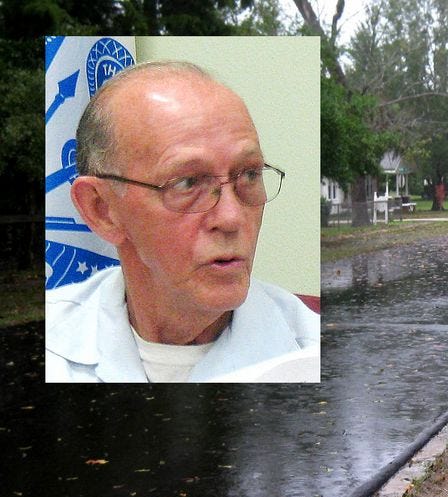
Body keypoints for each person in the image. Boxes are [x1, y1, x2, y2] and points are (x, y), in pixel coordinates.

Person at [45, 60, 320, 382]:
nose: (231, 218)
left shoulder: (312, 350)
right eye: (188, 183)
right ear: (102, 210)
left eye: (249, 175)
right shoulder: (50, 342)